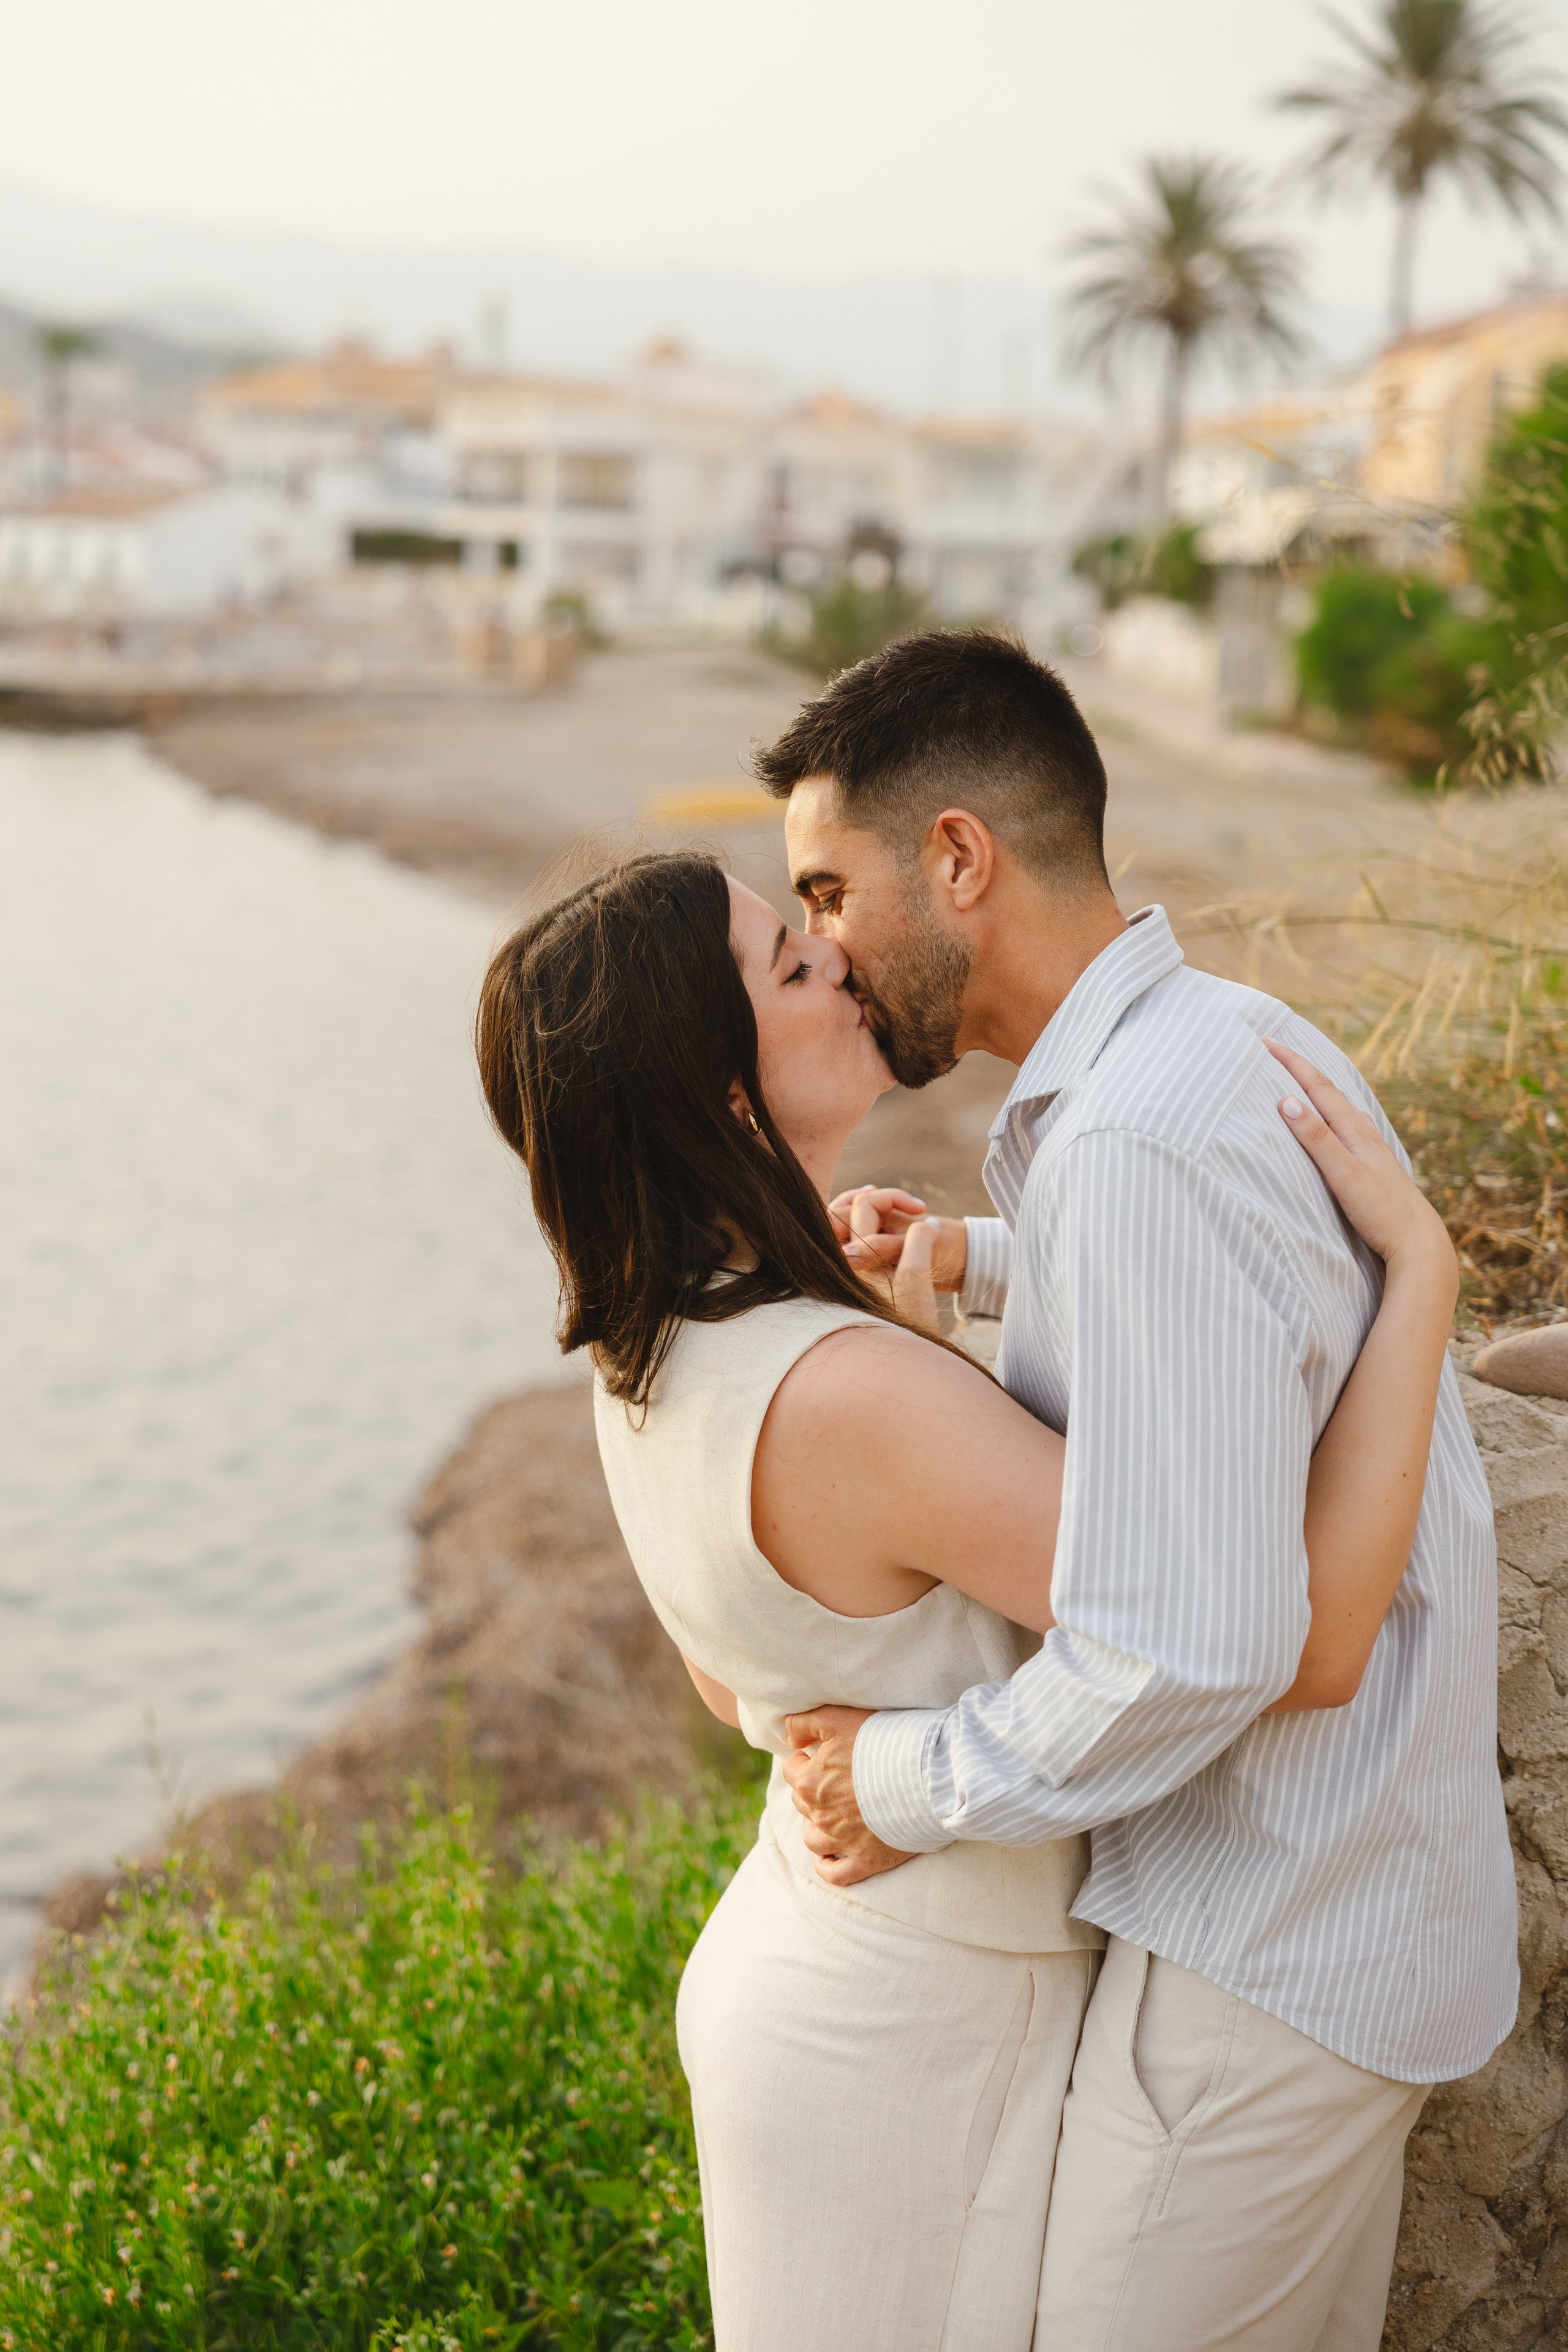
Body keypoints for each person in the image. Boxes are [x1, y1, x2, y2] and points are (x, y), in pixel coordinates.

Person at [475, 822, 1474, 2346]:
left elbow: (742, 1685)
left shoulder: (657, 1349)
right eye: (789, 963)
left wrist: (944, 1314)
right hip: (914, 2029)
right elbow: (1237, 1606)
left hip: (825, 1977)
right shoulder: (848, 1391)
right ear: (725, 1090)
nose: (839, 961)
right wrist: (1410, 1283)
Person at [753, 629, 1517, 2352]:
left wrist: (899, 1779)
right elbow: (1238, 1306)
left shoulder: (1128, 1145)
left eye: (828, 892)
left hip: (1265, 1941)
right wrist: (983, 1257)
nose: (825, 951)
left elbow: (1195, 1649)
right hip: (1342, 1907)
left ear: (958, 857)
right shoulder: (1219, 1045)